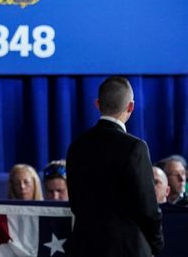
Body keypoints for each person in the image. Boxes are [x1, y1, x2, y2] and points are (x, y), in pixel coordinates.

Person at [66, 76, 163, 257]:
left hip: (84, 247)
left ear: (97, 104)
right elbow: (148, 207)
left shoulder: (77, 145)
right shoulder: (135, 147)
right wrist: (155, 245)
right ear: (131, 107)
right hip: (127, 249)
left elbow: (75, 204)